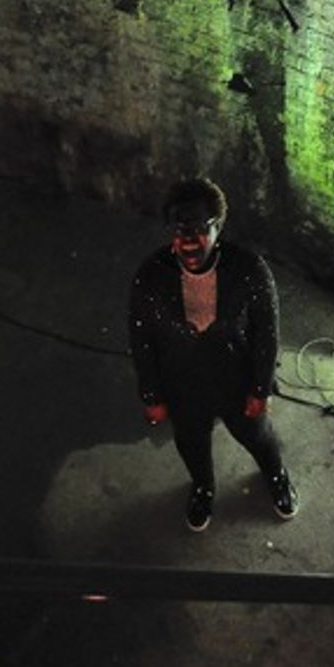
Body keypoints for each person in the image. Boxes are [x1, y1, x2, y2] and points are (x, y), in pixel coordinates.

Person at [128, 178, 298, 532]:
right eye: (179, 229)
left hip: (235, 376)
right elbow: (141, 339)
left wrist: (261, 389)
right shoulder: (150, 276)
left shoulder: (249, 270)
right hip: (181, 381)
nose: (188, 240)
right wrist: (151, 394)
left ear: (218, 226)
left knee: (256, 435)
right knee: (190, 440)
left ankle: (276, 475)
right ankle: (203, 487)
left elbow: (267, 334)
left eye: (199, 228)